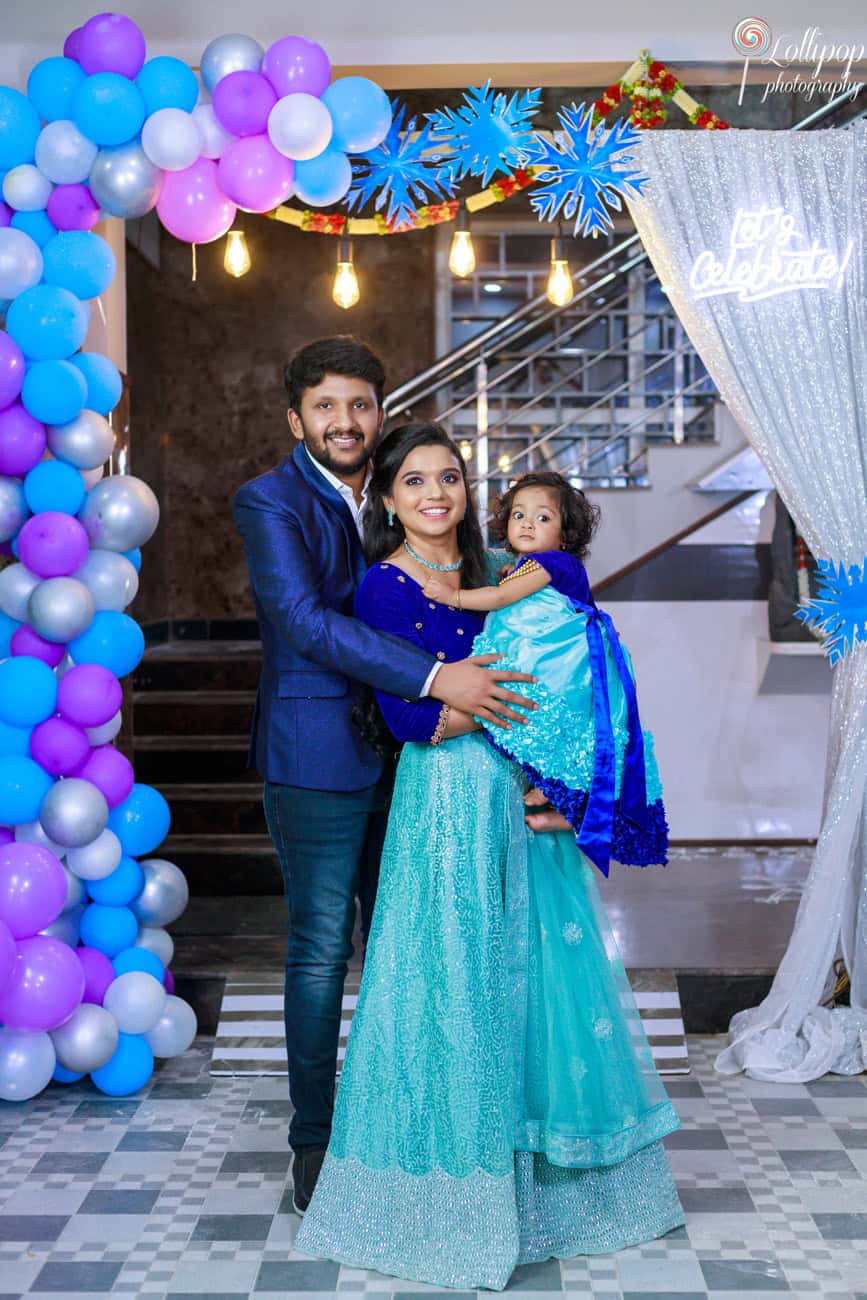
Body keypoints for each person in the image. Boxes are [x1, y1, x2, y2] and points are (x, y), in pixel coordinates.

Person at [294, 423, 684, 1290]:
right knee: (452, 987)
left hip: (519, 797)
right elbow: (413, 719)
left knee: (531, 987)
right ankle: (451, 1203)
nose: (438, 494)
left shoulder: (493, 576)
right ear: (388, 498)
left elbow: (565, 670)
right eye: (417, 481)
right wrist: (491, 698)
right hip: (446, 808)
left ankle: (542, 1197)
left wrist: (557, 771)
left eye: (453, 478)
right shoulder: (384, 590)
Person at [232, 338, 537, 1216]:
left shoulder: (403, 485)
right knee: (323, 952)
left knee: (411, 945)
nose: (344, 422)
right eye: (325, 407)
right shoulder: (271, 501)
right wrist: (440, 681)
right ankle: (315, 1145)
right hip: (318, 756)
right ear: (296, 418)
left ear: (379, 410)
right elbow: (301, 619)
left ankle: (408, 1126)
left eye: (359, 405)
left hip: (417, 758)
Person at [421, 471, 669, 878]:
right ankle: (553, 802)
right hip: (553, 659)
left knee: (548, 725)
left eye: (543, 518)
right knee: (553, 735)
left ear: (565, 535)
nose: (527, 524)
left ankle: (571, 811)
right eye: (519, 515)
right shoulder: (531, 566)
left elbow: (501, 598)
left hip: (563, 665)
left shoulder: (550, 562)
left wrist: (453, 596)